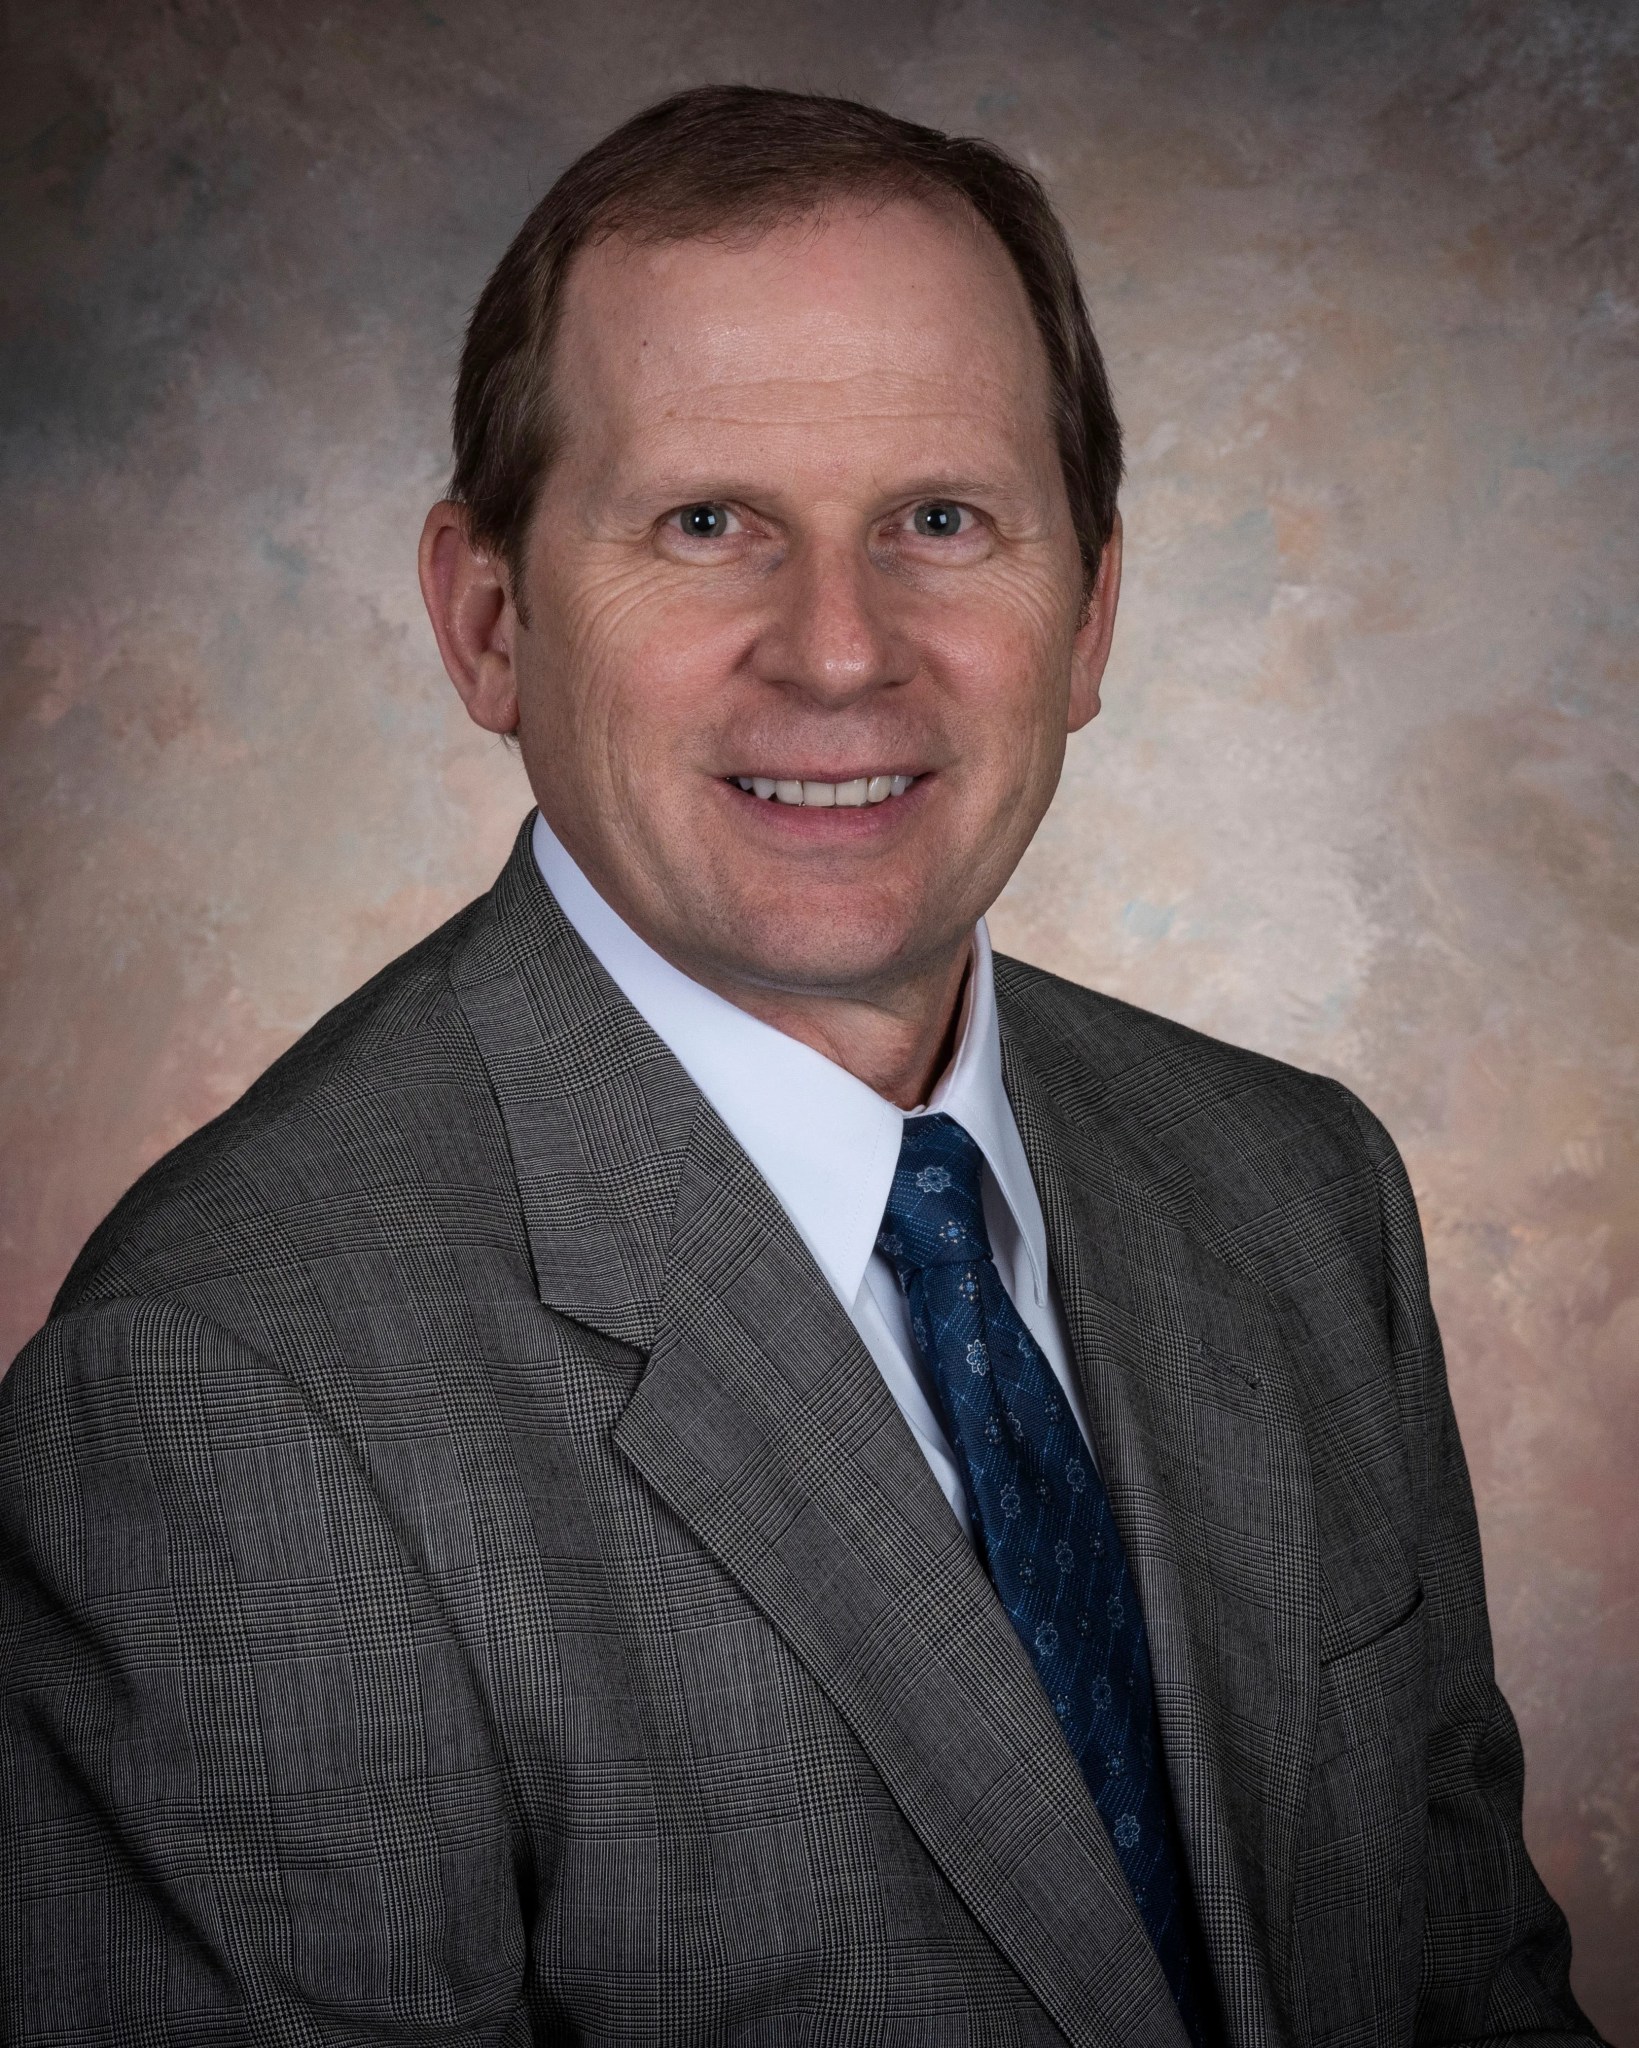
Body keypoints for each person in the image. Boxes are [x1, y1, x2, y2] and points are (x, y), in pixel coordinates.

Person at [0, 84, 1602, 2048]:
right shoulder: (225, 1395)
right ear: (487, 620)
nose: (839, 653)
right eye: (704, 524)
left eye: (940, 520)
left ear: (1086, 611)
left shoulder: (1295, 1193)